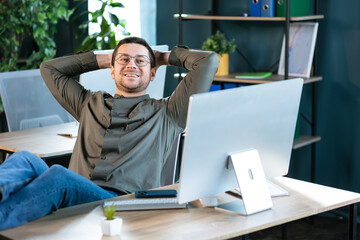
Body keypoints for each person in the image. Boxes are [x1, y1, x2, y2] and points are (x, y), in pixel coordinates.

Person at [0, 36, 219, 230]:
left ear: (153, 73)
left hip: (122, 203)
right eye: (124, 60)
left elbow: (208, 61)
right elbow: (49, 69)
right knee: (25, 159)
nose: (131, 65)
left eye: (140, 61)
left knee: (59, 176)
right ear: (111, 71)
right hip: (76, 193)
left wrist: (163, 56)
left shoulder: (169, 113)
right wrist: (107, 58)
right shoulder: (88, 103)